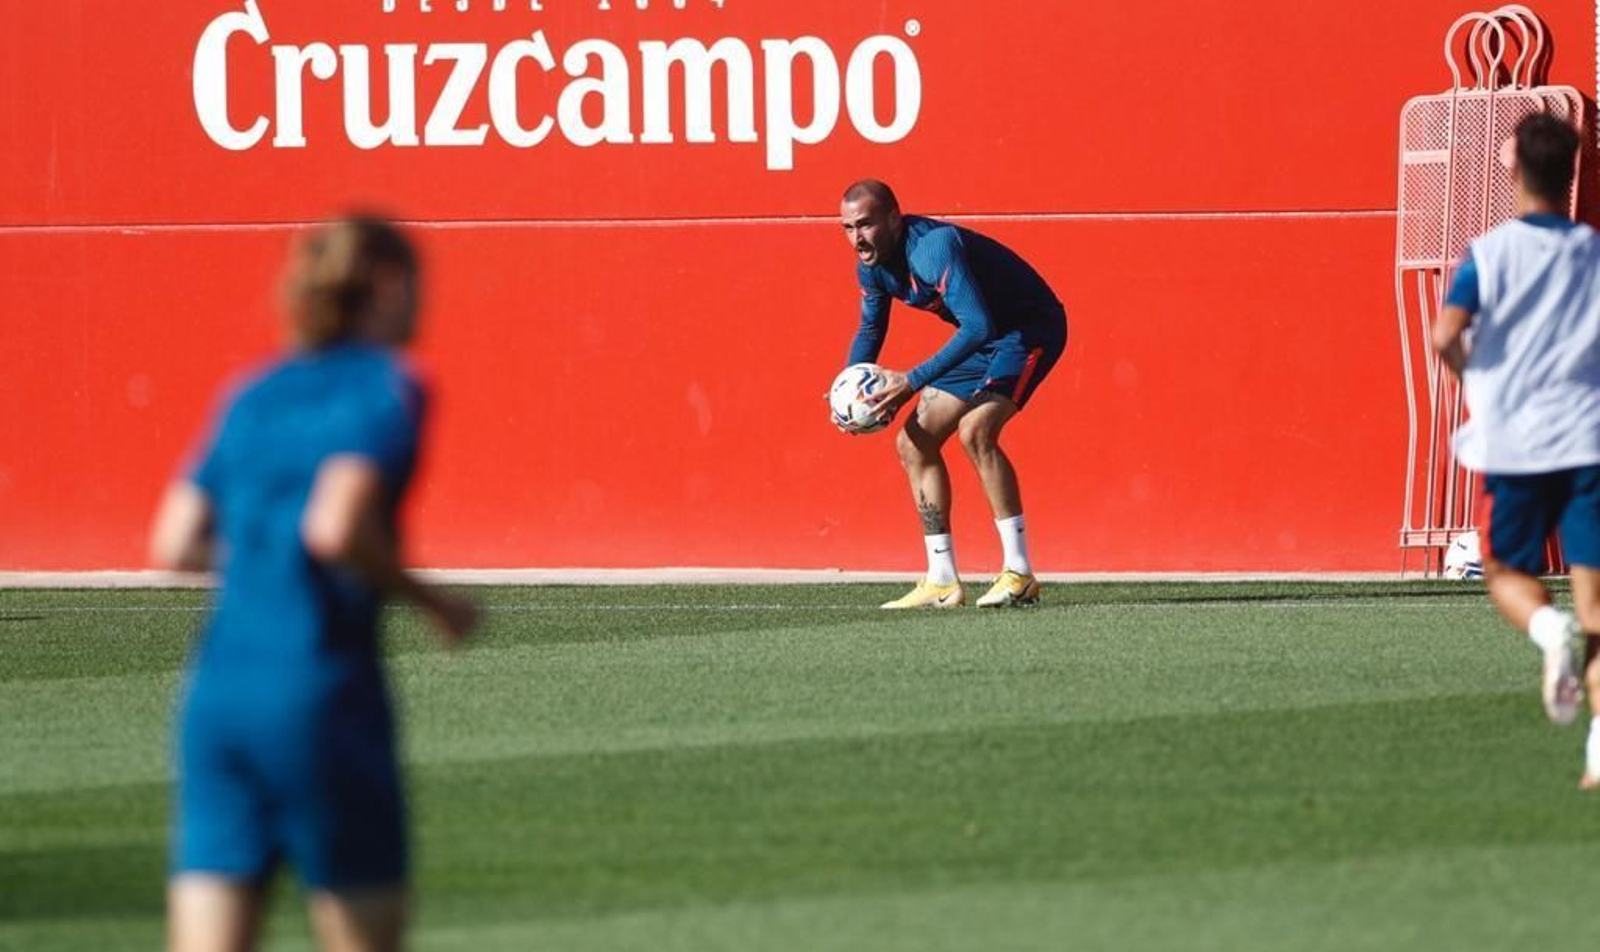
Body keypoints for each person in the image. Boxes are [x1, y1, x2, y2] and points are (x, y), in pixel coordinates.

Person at [149, 217, 479, 952]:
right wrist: (434, 603)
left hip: (217, 700)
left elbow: (173, 543)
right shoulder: (386, 388)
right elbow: (335, 526)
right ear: (390, 286)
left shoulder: (251, 393)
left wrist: (261, 550)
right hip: (319, 696)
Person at [1432, 113, 1600, 788]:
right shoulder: (1593, 252)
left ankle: (1544, 631)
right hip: (1588, 439)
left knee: (1504, 571)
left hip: (1517, 441)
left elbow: (1446, 335)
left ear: (1511, 169)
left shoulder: (1491, 252)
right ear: (1572, 172)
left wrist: (1475, 379)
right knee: (1598, 610)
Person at [837, 180, 1068, 609]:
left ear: (893, 218)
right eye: (848, 228)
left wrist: (912, 380)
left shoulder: (933, 248)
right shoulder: (871, 266)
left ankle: (1019, 573)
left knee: (976, 430)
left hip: (1028, 330)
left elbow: (977, 325)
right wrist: (849, 392)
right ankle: (941, 579)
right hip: (985, 340)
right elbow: (870, 329)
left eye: (865, 225)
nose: (857, 238)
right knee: (913, 442)